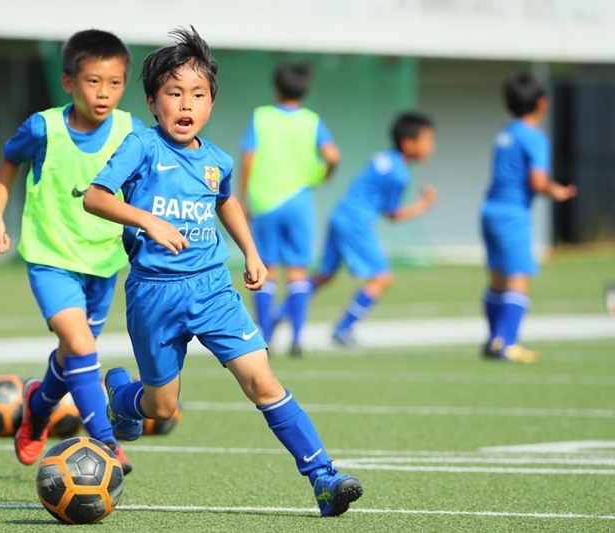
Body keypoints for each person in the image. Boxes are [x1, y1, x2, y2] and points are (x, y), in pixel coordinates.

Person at [83, 26, 363, 517]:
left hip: (213, 288)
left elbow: (226, 199)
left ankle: (323, 477)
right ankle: (122, 398)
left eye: (197, 93)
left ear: (211, 103)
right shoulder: (141, 148)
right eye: (173, 93)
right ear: (153, 101)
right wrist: (148, 219)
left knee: (261, 380)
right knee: (163, 407)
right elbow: (95, 197)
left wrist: (251, 252)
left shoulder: (217, 160)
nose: (185, 103)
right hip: (154, 294)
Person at [0, 29, 143, 472]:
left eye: (114, 83)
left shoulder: (132, 130)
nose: (104, 93)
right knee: (78, 343)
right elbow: (9, 161)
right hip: (51, 257)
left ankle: (37, 408)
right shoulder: (43, 127)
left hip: (103, 261)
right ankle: (107, 443)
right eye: (93, 82)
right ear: (69, 81)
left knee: (76, 352)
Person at [239, 61, 339, 357]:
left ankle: (265, 338)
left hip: (265, 201)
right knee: (298, 271)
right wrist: (322, 175)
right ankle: (296, 337)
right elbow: (333, 156)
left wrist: (243, 199)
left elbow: (248, 158)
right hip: (299, 201)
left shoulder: (261, 117)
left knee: (265, 270)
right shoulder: (312, 120)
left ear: (276, 88)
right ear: (306, 90)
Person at [312, 112, 438, 347]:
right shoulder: (399, 174)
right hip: (356, 221)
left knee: (324, 276)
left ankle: (279, 315)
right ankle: (343, 328)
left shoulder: (384, 158)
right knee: (381, 277)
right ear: (409, 143)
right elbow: (393, 215)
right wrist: (423, 205)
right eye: (428, 140)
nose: (432, 146)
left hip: (340, 214)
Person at [480, 71, 576, 363]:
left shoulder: (505, 133)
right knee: (519, 279)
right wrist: (555, 190)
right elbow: (536, 182)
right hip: (512, 213)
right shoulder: (535, 137)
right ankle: (508, 343)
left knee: (498, 278)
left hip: (489, 210)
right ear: (542, 104)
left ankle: (494, 340)